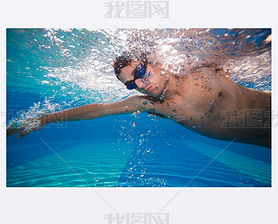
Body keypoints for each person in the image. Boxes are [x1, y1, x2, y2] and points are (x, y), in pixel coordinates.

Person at [7, 53, 271, 147]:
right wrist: (44, 118)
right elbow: (99, 110)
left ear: (155, 61)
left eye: (141, 72)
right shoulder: (149, 104)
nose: (141, 83)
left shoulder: (197, 68)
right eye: (132, 83)